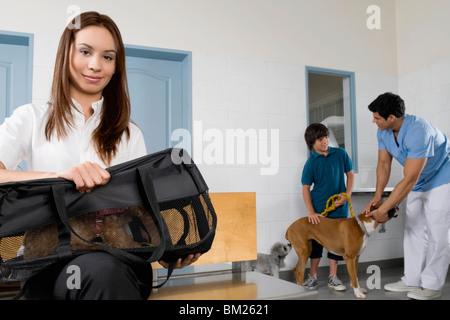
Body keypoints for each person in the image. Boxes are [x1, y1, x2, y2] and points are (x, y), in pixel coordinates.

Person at [0, 11, 200, 299]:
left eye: (107, 57)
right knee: (98, 275)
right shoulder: (31, 118)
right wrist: (60, 177)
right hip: (50, 264)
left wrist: (167, 249)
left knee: (105, 273)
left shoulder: (130, 134)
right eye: (85, 51)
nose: (95, 65)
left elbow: (140, 211)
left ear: (116, 66)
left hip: (119, 262)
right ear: (66, 54)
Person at [365, 92, 450, 300]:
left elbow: (410, 178)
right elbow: (384, 164)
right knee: (413, 228)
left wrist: (385, 209)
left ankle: (431, 284)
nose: (373, 121)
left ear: (392, 117)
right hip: (419, 180)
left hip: (442, 177)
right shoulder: (383, 132)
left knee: (437, 230)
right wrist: (378, 196)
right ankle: (411, 280)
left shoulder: (419, 130)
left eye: (377, 117)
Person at [301, 123, 354, 291]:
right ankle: (313, 276)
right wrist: (311, 211)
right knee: (316, 244)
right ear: (311, 143)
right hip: (319, 210)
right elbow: (305, 188)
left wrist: (347, 195)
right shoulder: (311, 163)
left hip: (339, 208)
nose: (324, 141)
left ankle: (333, 277)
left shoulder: (341, 154)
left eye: (325, 137)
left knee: (337, 243)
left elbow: (350, 175)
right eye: (319, 139)